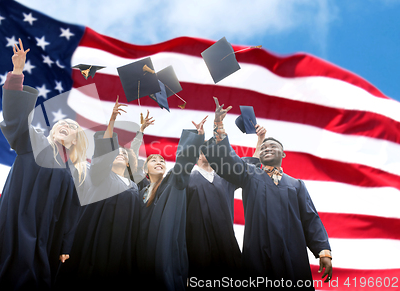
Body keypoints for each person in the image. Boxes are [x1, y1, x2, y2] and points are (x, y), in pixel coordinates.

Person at [0, 40, 86, 290]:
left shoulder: (72, 172)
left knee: (39, 279)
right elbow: (16, 119)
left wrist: (65, 246)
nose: (66, 126)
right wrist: (17, 73)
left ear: (76, 140)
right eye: (63, 123)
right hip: (18, 219)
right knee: (10, 272)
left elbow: (70, 214)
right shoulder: (35, 142)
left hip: (46, 234)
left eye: (72, 127)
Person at [200, 97, 332, 289]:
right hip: (258, 254)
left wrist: (323, 251)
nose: (268, 148)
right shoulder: (249, 175)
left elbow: (310, 219)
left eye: (273, 147)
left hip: (292, 254)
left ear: (283, 154)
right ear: (259, 154)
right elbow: (228, 160)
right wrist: (219, 124)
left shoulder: (296, 185)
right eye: (264, 147)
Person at [54, 98, 150, 290]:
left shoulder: (134, 186)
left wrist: (140, 135)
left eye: (124, 154)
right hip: (95, 243)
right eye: (116, 152)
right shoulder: (100, 176)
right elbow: (103, 154)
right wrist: (112, 122)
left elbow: (140, 171)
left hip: (122, 249)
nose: (120, 154)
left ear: (129, 163)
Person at [185, 124, 266, 281]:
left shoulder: (226, 177)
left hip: (227, 246)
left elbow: (251, 165)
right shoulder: (186, 179)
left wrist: (260, 139)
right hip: (197, 249)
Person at [136, 116, 207, 291]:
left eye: (162, 160)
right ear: (145, 169)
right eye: (153, 160)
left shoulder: (173, 182)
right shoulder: (139, 191)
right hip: (141, 250)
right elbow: (130, 159)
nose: (159, 162)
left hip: (164, 249)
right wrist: (140, 132)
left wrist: (196, 138)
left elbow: (182, 164)